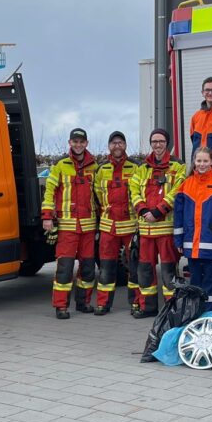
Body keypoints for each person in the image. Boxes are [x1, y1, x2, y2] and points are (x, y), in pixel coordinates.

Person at [41, 128, 99, 319]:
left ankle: (83, 302)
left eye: (81, 141)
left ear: (86, 143)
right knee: (64, 268)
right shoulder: (60, 166)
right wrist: (47, 217)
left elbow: (100, 195)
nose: (78, 145)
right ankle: (61, 306)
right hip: (67, 226)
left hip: (89, 226)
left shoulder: (94, 167)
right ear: (70, 143)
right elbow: (49, 192)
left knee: (88, 267)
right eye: (75, 141)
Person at [129, 128, 186, 318]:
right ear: (150, 143)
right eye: (154, 141)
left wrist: (157, 211)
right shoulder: (142, 168)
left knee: (169, 271)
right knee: (145, 271)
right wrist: (144, 210)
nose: (158, 145)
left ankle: (171, 310)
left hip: (166, 230)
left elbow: (177, 191)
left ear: (167, 143)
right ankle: (148, 307)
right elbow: (134, 190)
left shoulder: (178, 166)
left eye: (161, 141)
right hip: (146, 230)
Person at [174, 147, 212, 312]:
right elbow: (178, 216)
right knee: (195, 282)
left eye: (205, 161)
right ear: (194, 162)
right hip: (191, 245)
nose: (202, 164)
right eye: (199, 161)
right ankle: (194, 313)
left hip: (211, 245)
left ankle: (208, 313)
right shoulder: (186, 185)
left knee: (210, 284)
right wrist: (178, 240)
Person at [93, 131, 140, 315]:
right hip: (108, 228)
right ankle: (103, 304)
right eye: (114, 143)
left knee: (134, 269)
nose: (117, 146)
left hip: (130, 227)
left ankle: (136, 303)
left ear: (125, 145)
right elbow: (96, 195)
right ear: (109, 146)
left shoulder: (135, 168)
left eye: (120, 142)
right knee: (106, 269)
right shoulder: (101, 169)